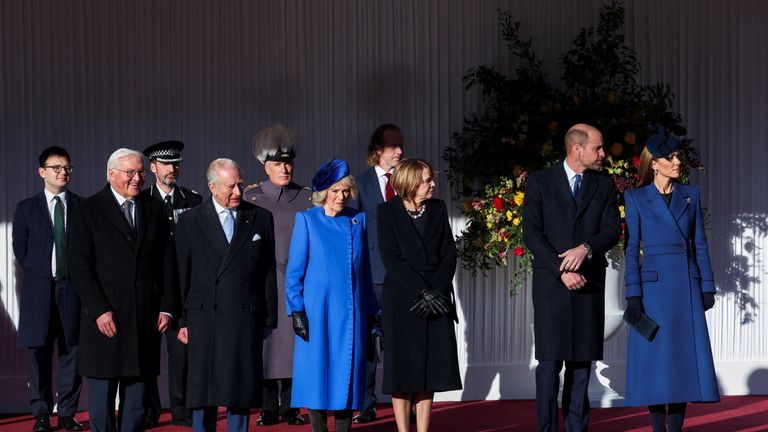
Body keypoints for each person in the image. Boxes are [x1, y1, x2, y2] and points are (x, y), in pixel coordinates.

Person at [522, 124, 621, 432]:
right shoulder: (539, 182)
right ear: (578, 149)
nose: (603, 153)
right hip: (552, 285)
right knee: (550, 364)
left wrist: (586, 248)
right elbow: (532, 234)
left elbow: (612, 230)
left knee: (581, 364)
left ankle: (577, 428)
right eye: (598, 148)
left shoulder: (604, 185)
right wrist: (561, 269)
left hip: (589, 284)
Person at [68, 148, 174, 432]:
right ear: (111, 173)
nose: (138, 178)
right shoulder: (88, 210)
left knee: (138, 395)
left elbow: (166, 261)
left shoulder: (154, 208)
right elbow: (79, 267)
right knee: (102, 396)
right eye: (131, 172)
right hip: (105, 319)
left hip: (145, 316)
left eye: (141, 172)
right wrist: (100, 310)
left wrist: (166, 305)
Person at [623, 125, 720, 432]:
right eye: (670, 157)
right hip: (652, 290)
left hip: (685, 287)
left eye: (678, 156)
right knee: (656, 359)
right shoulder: (635, 197)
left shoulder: (691, 196)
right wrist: (633, 294)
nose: (678, 162)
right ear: (654, 163)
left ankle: (675, 429)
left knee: (680, 358)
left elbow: (699, 244)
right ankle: (656, 428)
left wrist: (707, 285)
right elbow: (631, 249)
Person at [175, 158, 278, 432]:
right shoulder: (190, 220)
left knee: (240, 389)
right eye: (230, 187)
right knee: (203, 392)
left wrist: (269, 317)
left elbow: (267, 272)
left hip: (245, 314)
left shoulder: (260, 218)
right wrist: (181, 321)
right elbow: (180, 274)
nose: (237, 192)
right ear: (212, 187)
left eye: (240, 185)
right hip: (204, 315)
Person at [285, 159, 379, 432]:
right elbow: (294, 273)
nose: (341, 197)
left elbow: (365, 272)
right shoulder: (307, 220)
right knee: (317, 373)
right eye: (335, 191)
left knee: (347, 375)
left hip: (352, 312)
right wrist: (297, 311)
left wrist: (373, 312)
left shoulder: (356, 220)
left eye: (345, 191)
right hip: (317, 312)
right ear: (323, 192)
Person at [377, 158, 462, 432]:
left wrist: (436, 290)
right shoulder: (386, 212)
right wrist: (422, 290)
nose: (433, 184)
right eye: (427, 180)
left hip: (436, 298)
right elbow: (391, 259)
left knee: (431, 369)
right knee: (403, 370)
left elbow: (449, 253)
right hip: (403, 300)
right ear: (411, 182)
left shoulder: (437, 208)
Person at [244, 124, 312, 426]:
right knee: (267, 342)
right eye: (277, 163)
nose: (285, 168)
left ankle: (292, 406)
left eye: (288, 162)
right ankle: (267, 405)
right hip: (263, 279)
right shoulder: (251, 198)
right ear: (264, 165)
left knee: (295, 343)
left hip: (298, 281)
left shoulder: (307, 197)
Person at [12, 147, 84, 432]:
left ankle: (67, 414)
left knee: (72, 353)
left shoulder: (82, 206)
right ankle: (41, 413)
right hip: (39, 291)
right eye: (57, 168)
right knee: (39, 354)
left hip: (73, 290)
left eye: (67, 168)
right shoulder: (26, 208)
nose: (63, 173)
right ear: (42, 172)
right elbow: (22, 250)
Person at [137, 139, 202, 428]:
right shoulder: (143, 200)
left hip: (184, 288)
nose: (172, 168)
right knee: (148, 356)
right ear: (152, 168)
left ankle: (182, 410)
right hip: (153, 289)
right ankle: (149, 410)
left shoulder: (193, 200)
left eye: (175, 163)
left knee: (182, 355)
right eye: (165, 164)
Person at [353, 123, 404, 423]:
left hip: (402, 274)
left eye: (401, 145)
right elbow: (355, 228)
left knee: (400, 339)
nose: (399, 151)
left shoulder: (408, 179)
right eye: (392, 146)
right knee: (368, 342)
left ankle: (405, 397)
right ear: (376, 151)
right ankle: (366, 402)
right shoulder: (360, 183)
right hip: (371, 275)